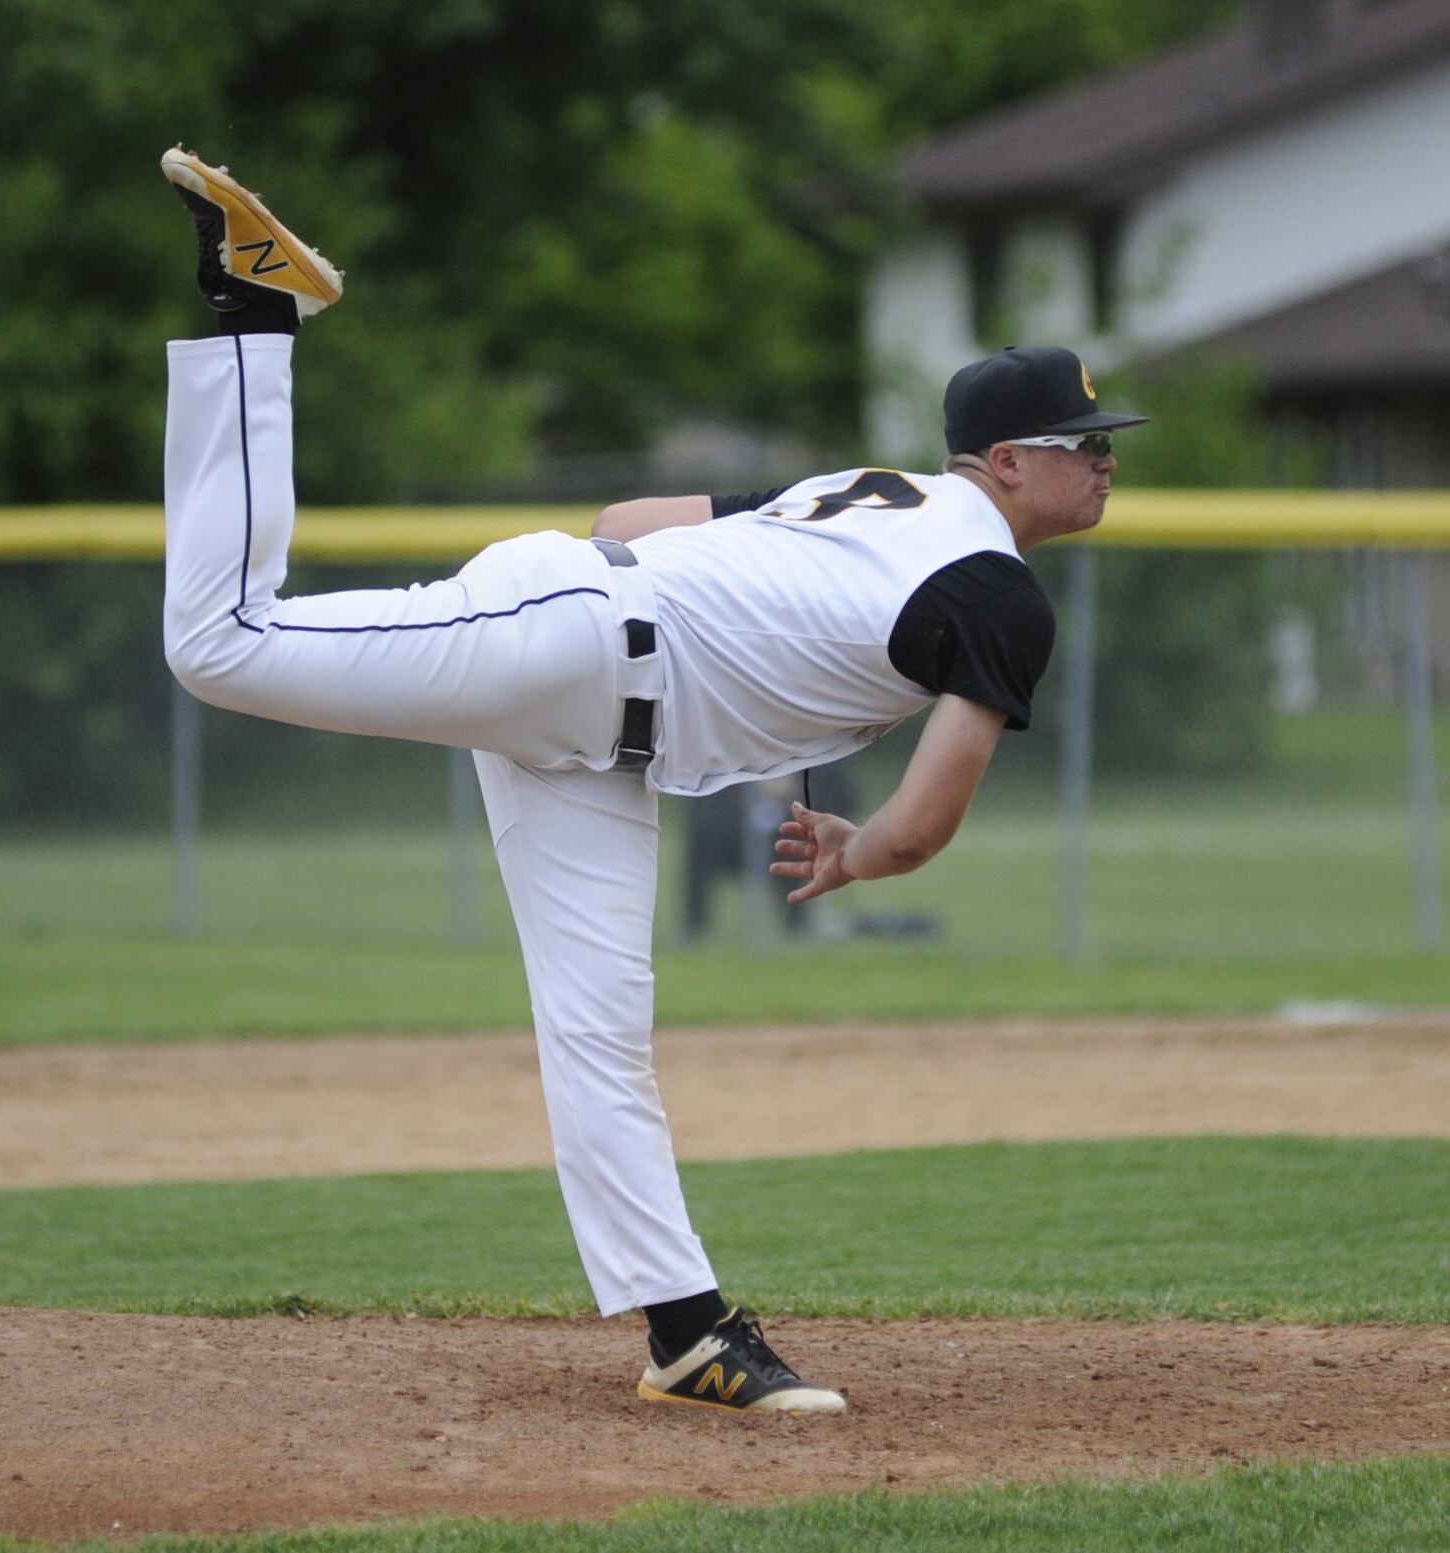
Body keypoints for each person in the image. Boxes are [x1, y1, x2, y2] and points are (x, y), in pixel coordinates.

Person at [158, 147, 1148, 1416]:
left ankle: (687, 1333)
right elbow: (924, 820)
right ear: (1006, 463)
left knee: (598, 1030)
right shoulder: (996, 590)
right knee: (219, 644)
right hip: (575, 648)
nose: (1106, 461)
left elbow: (630, 511)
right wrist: (855, 853)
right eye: (1084, 443)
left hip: (591, 715)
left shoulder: (866, 496)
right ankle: (254, 306)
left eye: (1106, 444)